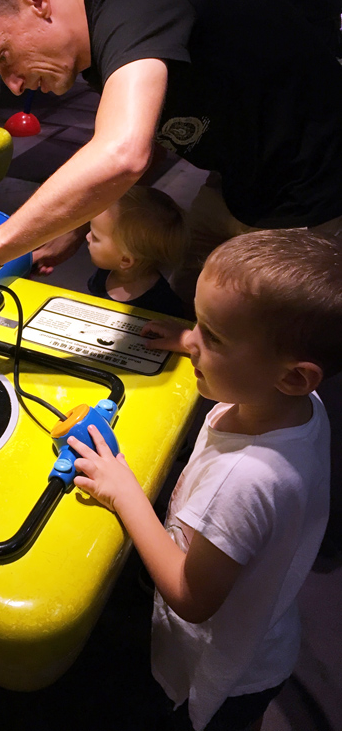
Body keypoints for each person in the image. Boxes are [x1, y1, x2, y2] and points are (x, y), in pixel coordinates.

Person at [0, 0, 342, 333]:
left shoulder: (134, 3)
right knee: (180, 316)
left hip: (308, 185)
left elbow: (123, 154)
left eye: (5, 58)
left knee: (257, 347)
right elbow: (150, 133)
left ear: (37, 1)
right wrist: (74, 227)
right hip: (238, 175)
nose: (14, 87)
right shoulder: (102, 41)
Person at [71, 228, 339, 731]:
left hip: (219, 669)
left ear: (294, 376)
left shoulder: (245, 481)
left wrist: (126, 493)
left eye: (212, 336)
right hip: (264, 632)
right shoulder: (296, 407)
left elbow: (192, 599)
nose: (193, 340)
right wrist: (191, 341)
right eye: (199, 323)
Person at [85, 186, 186, 319]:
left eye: (96, 237)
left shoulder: (162, 305)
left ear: (125, 260)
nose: (87, 236)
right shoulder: (106, 272)